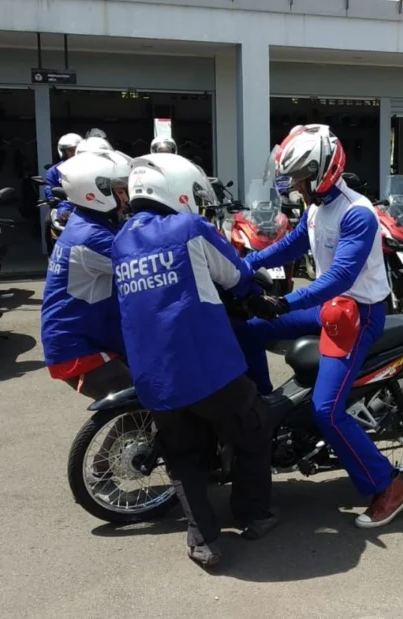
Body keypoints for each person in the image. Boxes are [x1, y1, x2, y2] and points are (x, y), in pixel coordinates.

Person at [238, 124, 403, 529]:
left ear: (322, 172)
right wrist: (244, 264)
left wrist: (283, 301)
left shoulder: (357, 213)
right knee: (247, 328)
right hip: (328, 309)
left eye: (300, 178)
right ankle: (265, 412)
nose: (295, 186)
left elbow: (339, 278)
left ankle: (389, 486)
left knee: (326, 410)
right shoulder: (316, 206)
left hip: (357, 314)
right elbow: (293, 244)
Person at [113, 152, 276, 568]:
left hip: (154, 379)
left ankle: (202, 540)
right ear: (179, 190)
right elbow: (235, 275)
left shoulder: (120, 242)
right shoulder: (189, 227)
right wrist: (255, 295)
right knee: (254, 429)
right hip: (209, 369)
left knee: (184, 457)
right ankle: (254, 514)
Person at [40, 150, 132, 400]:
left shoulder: (89, 223)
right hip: (80, 349)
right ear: (96, 192)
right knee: (146, 401)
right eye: (120, 191)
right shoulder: (91, 238)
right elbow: (145, 262)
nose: (126, 197)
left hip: (93, 336)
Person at [42, 133, 83, 218]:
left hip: (88, 205)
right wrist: (52, 199)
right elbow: (50, 188)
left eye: (76, 150)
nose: (74, 153)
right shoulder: (54, 171)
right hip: (63, 205)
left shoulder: (90, 168)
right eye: (70, 150)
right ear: (63, 152)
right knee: (49, 221)